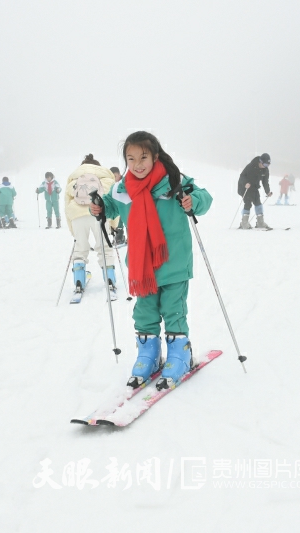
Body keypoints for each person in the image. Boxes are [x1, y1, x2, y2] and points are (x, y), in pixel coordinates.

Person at [90, 131, 213, 390]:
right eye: (131, 158)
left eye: (143, 157)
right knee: (144, 311)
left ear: (155, 156)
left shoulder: (174, 182)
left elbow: (204, 198)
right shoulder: (123, 188)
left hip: (174, 260)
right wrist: (101, 207)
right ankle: (149, 355)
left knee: (173, 308)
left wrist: (193, 201)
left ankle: (180, 354)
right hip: (142, 265)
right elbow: (111, 205)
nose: (138, 164)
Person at [65, 154, 116, 293]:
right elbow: (114, 200)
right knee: (104, 248)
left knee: (80, 249)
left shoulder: (74, 178)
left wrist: (72, 230)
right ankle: (110, 279)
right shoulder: (105, 177)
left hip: (77, 216)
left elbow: (66, 203)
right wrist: (113, 225)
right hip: (99, 213)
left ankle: (79, 281)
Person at [237, 153, 272, 229]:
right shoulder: (251, 166)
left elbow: (265, 182)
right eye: (265, 164)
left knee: (258, 203)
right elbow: (242, 176)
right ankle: (244, 223)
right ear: (260, 161)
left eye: (268, 165)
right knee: (248, 202)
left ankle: (260, 222)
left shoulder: (265, 170)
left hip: (254, 187)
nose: (266, 166)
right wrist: (245, 183)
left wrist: (268, 191)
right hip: (244, 187)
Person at [109, 166, 126, 244]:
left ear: (119, 175)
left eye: (115, 176)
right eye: (112, 177)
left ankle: (120, 233)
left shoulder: (123, 182)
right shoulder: (112, 185)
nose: (114, 179)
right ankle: (116, 234)